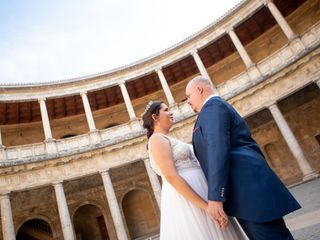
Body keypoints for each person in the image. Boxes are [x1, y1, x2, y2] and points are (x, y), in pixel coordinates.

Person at [185, 75, 301, 240]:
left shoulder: (212, 108)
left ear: (199, 89)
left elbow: (217, 150)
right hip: (247, 191)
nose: (188, 102)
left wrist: (216, 198)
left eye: (188, 96)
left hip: (248, 191)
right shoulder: (216, 107)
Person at [142, 100, 248, 240]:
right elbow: (172, 176)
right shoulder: (156, 139)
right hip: (188, 201)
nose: (171, 112)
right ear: (155, 117)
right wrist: (206, 207)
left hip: (203, 193)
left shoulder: (168, 139)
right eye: (166, 110)